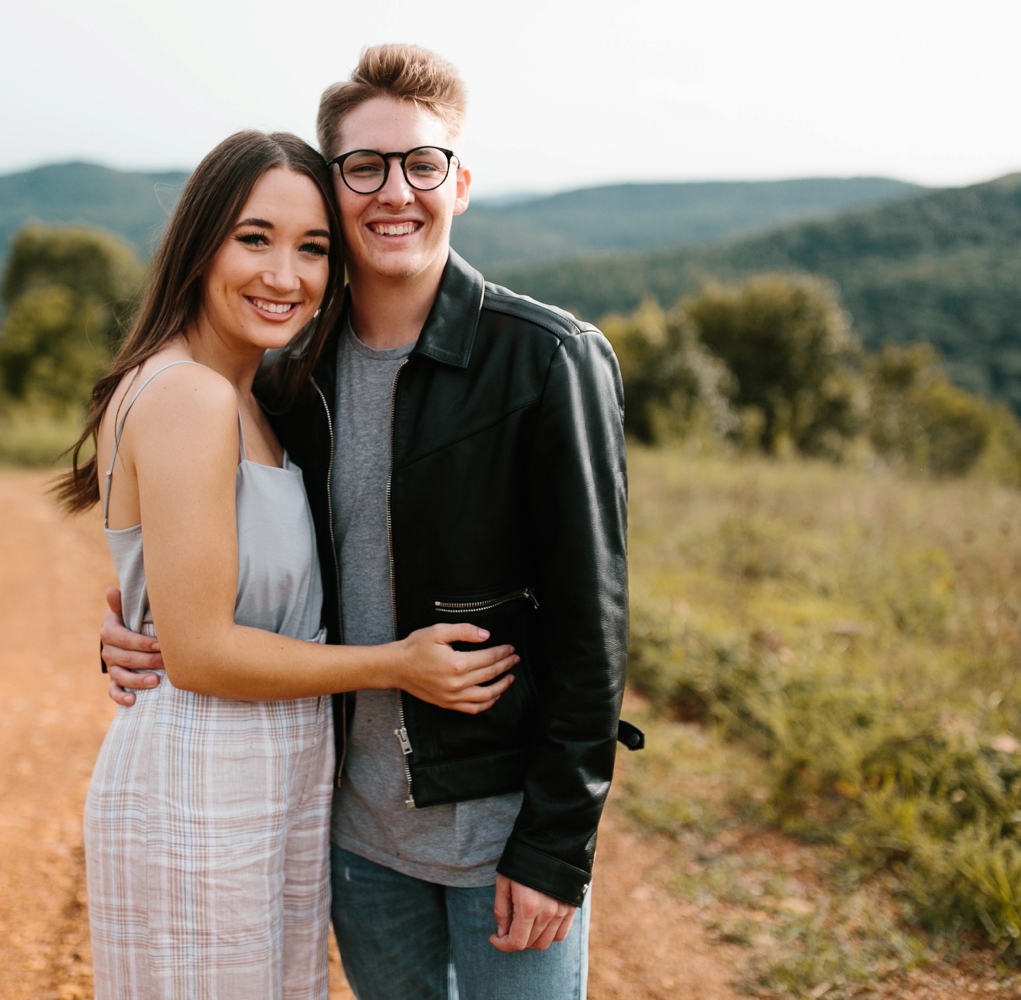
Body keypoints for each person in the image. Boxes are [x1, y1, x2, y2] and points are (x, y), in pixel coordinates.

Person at [102, 46, 634, 1000]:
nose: (396, 191)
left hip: (497, 836)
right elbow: (230, 580)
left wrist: (556, 846)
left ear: (458, 183)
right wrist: (136, 626)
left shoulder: (549, 360)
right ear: (336, 187)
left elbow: (592, 630)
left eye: (421, 164)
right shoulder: (287, 380)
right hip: (349, 839)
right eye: (364, 167)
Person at [56, 129, 520, 1000]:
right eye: (254, 238)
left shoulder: (255, 395)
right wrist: (398, 665)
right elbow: (199, 653)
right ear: (199, 245)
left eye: (312, 249)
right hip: (204, 776)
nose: (284, 276)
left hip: (266, 774)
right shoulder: (194, 395)